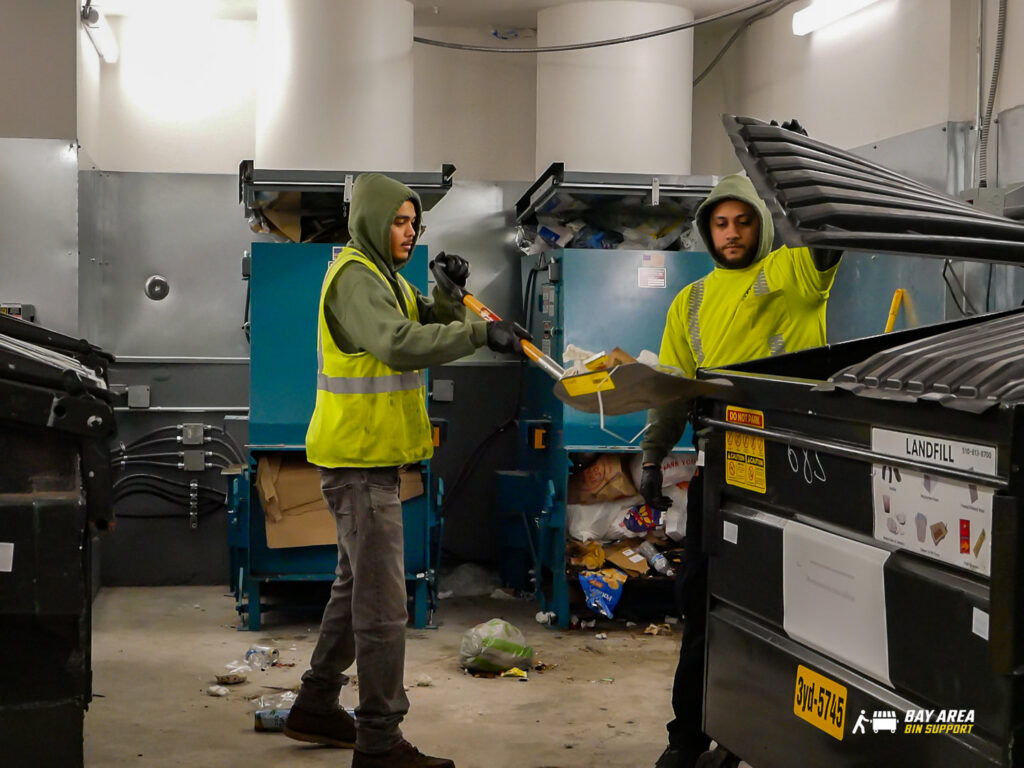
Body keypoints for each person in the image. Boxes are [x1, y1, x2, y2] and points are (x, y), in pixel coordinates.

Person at [284, 173, 527, 768]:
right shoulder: (356, 279)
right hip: (361, 466)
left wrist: (448, 295)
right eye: (398, 221)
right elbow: (398, 343)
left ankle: (316, 703)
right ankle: (379, 742)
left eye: (414, 223)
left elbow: (420, 319)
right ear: (370, 221)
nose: (410, 232)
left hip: (370, 461)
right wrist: (478, 331)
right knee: (382, 608)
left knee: (354, 591)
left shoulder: (385, 278)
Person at [640, 168, 842, 768]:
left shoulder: (791, 274)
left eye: (744, 220)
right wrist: (653, 454)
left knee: (783, 610)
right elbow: (671, 389)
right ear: (707, 230)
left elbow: (822, 242)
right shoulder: (691, 301)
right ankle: (689, 733)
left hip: (794, 471)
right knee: (700, 600)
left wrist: (795, 183)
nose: (732, 233)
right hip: (722, 469)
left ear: (761, 221)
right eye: (721, 223)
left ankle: (759, 731)